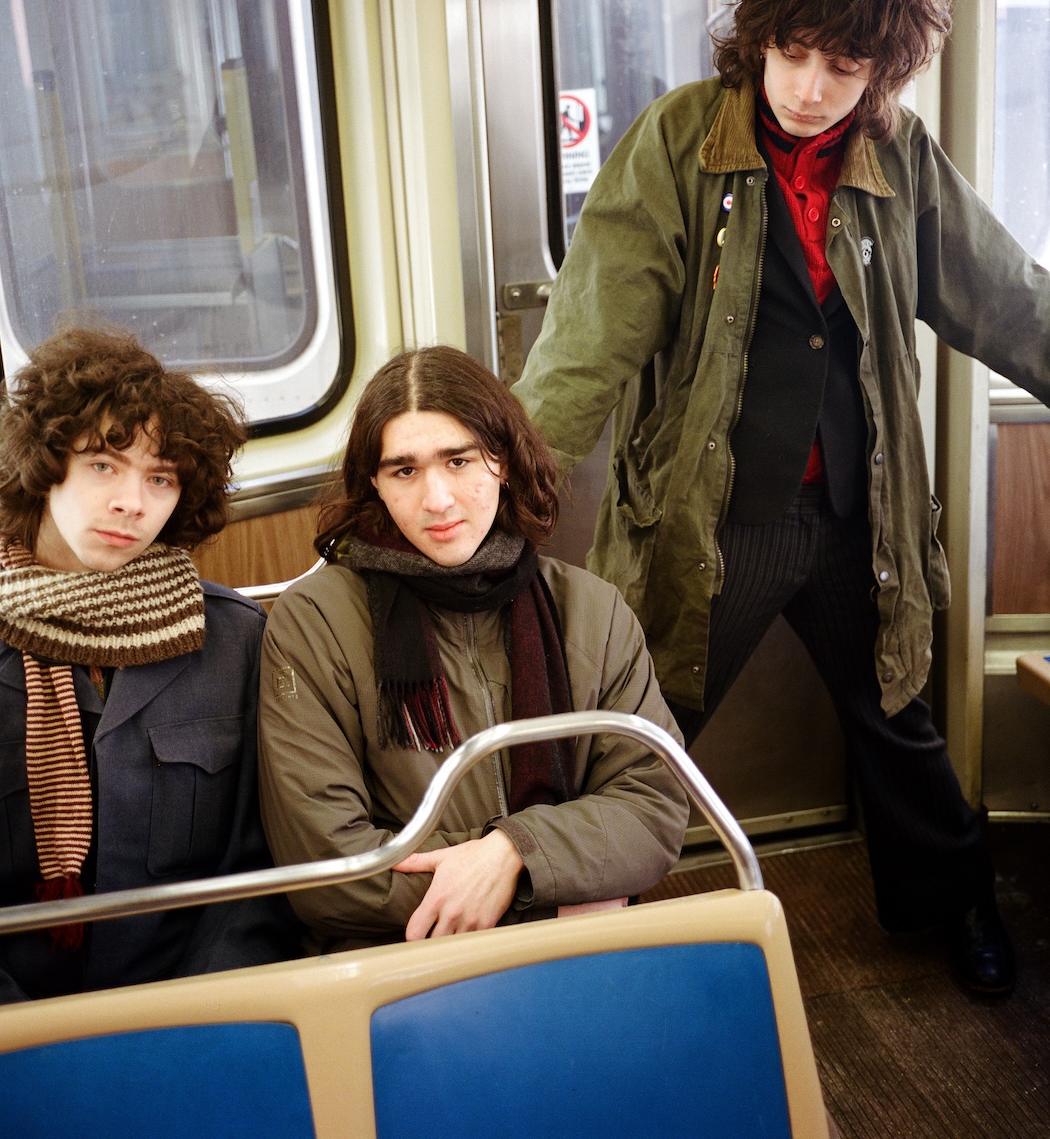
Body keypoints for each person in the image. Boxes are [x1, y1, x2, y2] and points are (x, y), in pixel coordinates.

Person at [512, 0, 1042, 996]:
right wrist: (502, 489)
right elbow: (591, 333)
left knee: (896, 713)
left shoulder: (898, 155)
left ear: (882, 74)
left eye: (842, 67)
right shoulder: (680, 140)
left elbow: (1003, 297)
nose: (808, 88)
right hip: (713, 516)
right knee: (640, 728)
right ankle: (571, 931)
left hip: (856, 513)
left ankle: (958, 900)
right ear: (757, 39)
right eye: (792, 54)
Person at [257, 346, 688, 952]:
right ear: (375, 483)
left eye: (458, 461)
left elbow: (654, 805)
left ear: (503, 462)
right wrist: (539, 886)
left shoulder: (592, 611)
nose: (436, 499)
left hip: (579, 949)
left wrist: (514, 853)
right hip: (408, 952)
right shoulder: (315, 623)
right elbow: (329, 870)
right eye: (404, 471)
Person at [0, 326, 298, 1002]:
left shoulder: (232, 641)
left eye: (159, 479)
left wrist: (194, 1020)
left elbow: (255, 874)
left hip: (190, 1011)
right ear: (46, 464)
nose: (131, 503)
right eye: (103, 465)